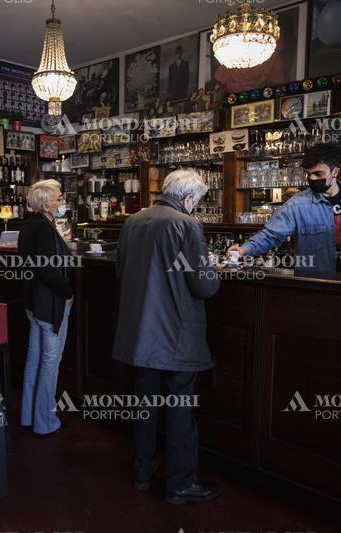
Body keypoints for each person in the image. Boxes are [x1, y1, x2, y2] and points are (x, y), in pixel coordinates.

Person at [113, 169, 221, 505]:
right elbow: (204, 285)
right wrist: (215, 271)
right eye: (197, 202)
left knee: (144, 406)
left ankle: (143, 474)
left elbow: (121, 271)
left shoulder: (133, 221)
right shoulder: (186, 224)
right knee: (179, 409)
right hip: (176, 335)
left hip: (140, 333)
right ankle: (181, 483)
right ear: (189, 199)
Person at [227, 143, 341, 275]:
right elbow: (271, 234)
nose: (312, 179)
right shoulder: (297, 204)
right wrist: (244, 249)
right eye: (309, 174)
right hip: (316, 282)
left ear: (335, 172)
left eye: (318, 173)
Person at [18, 180, 73, 436]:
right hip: (49, 304)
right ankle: (46, 422)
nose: (62, 202)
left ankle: (29, 415)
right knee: (51, 362)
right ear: (46, 202)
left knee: (34, 359)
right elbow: (50, 272)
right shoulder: (44, 229)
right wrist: (68, 293)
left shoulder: (30, 225)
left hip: (33, 303)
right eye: (59, 198)